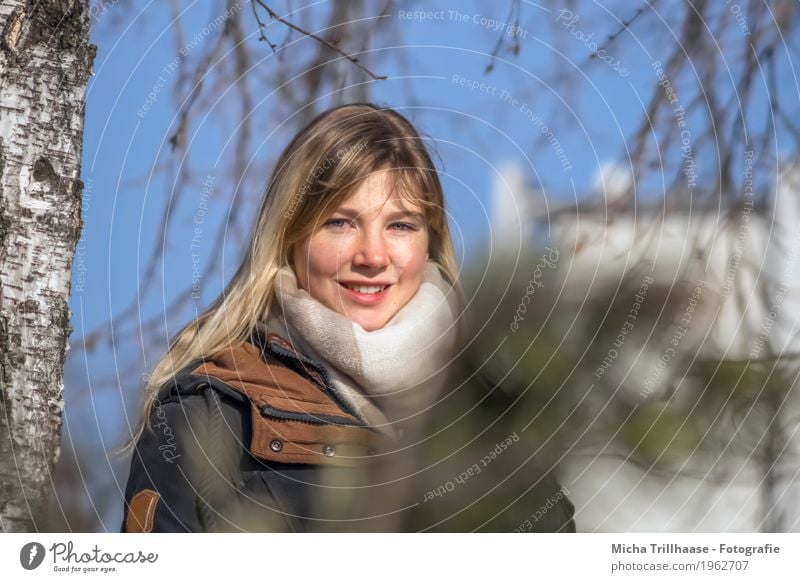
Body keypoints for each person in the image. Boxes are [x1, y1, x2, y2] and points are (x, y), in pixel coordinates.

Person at [120, 103, 575, 532]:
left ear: (428, 242)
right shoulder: (207, 415)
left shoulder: (498, 408)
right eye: (341, 222)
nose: (373, 256)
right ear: (290, 235)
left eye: (400, 225)